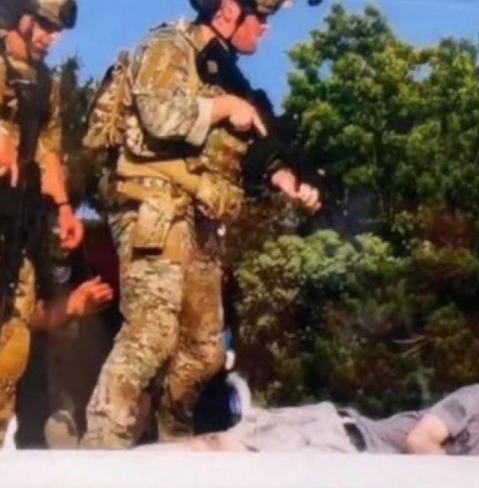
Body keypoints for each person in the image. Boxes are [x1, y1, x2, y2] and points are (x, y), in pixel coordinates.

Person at [82, 0, 322, 449]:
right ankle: (99, 452)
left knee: (204, 352)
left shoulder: (224, 72)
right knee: (151, 333)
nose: (267, 30)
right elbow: (160, 114)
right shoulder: (168, 45)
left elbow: (246, 147)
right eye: (262, 17)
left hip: (197, 215)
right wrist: (224, 107)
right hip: (151, 203)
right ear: (229, 10)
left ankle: (174, 446)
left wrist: (287, 177)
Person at [0, 0, 83, 447]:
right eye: (46, 25)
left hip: (14, 226)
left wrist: (65, 207)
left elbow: (50, 151)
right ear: (21, 16)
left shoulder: (44, 81)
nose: (51, 37)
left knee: (11, 348)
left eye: (58, 29)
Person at [144, 384, 479, 456]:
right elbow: (419, 441)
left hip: (346, 464)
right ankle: (123, 468)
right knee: (221, 453)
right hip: (339, 438)